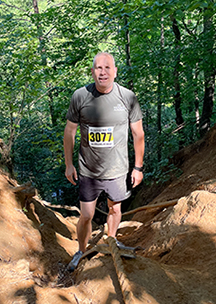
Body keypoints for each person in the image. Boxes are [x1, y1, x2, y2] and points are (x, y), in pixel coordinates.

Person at [63, 52, 145, 271]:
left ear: (115, 71)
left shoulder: (127, 97)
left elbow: (138, 134)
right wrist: (69, 164)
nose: (103, 72)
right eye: (99, 68)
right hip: (88, 170)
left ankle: (111, 239)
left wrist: (138, 167)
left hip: (117, 170)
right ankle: (81, 250)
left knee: (115, 210)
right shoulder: (80, 96)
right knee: (87, 215)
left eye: (108, 68)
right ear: (92, 71)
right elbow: (70, 131)